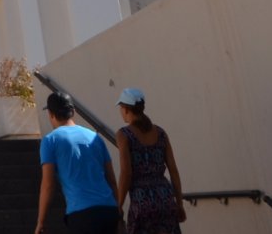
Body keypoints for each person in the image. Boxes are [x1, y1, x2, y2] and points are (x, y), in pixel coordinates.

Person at [37, 90, 119, 234]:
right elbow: (111, 179)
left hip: (81, 213)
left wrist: (41, 221)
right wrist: (118, 210)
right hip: (108, 209)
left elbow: (48, 185)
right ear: (73, 111)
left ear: (51, 114)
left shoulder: (50, 141)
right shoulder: (95, 137)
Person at [114, 88, 186, 231]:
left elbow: (126, 173)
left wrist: (119, 204)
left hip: (142, 201)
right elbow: (173, 171)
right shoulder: (160, 133)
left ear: (126, 109)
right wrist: (179, 203)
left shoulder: (124, 135)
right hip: (165, 198)